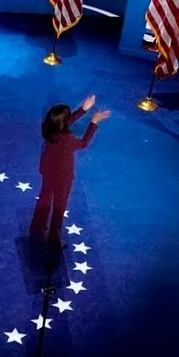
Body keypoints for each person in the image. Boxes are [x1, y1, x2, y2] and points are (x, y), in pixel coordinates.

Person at [30, 95, 112, 250]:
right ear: (64, 123)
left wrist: (83, 109)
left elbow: (65, 122)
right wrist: (94, 122)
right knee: (59, 207)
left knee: (45, 198)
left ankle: (37, 227)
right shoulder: (67, 138)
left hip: (47, 170)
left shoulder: (48, 127)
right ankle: (54, 241)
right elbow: (83, 143)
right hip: (62, 177)